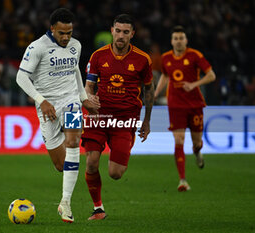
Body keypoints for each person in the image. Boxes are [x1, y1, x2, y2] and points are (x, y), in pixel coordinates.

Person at [16, 8, 99, 223]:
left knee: (73, 141)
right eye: (61, 33)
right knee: (61, 165)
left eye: (69, 33)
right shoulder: (37, 47)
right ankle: (66, 193)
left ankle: (65, 203)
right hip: (47, 106)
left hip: (70, 101)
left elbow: (75, 71)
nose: (66, 37)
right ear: (52, 29)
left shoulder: (76, 46)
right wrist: (41, 100)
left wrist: (82, 98)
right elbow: (21, 78)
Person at [82, 14, 154, 220]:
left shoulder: (143, 59)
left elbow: (149, 90)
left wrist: (147, 121)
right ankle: (98, 209)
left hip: (125, 119)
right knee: (91, 162)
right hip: (99, 115)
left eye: (125, 32)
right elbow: (89, 85)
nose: (120, 36)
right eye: (117, 31)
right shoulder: (98, 56)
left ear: (132, 34)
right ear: (112, 30)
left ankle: (117, 155)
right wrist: (88, 98)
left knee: (115, 173)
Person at [154, 25, 216, 192]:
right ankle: (182, 180)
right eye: (176, 38)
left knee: (197, 142)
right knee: (179, 139)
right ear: (172, 41)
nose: (179, 41)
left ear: (186, 40)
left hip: (195, 104)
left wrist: (194, 84)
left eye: (181, 38)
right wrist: (155, 93)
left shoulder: (195, 55)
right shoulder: (166, 58)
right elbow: (165, 76)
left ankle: (197, 152)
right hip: (175, 104)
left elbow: (211, 75)